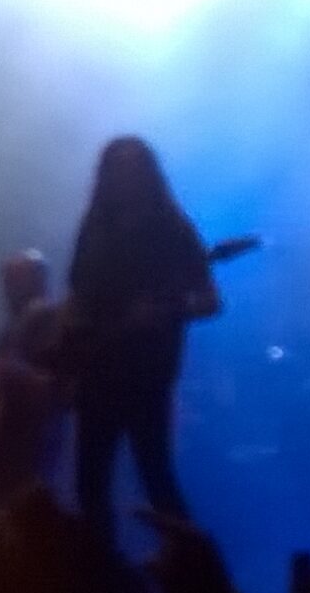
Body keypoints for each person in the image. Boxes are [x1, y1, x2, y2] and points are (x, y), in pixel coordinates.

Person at [62, 137, 219, 555]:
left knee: (156, 477)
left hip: (147, 374)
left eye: (134, 167)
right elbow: (77, 296)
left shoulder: (173, 229)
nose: (126, 176)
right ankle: (103, 580)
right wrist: (70, 345)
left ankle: (192, 573)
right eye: (118, 168)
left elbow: (209, 300)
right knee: (90, 484)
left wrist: (164, 312)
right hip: (97, 370)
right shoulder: (95, 228)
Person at [0, 250, 67, 508]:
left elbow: (54, 385)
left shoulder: (46, 318)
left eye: (14, 279)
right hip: (5, 436)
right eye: (6, 279)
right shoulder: (15, 323)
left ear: (35, 281)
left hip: (28, 439)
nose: (7, 288)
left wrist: (12, 372)